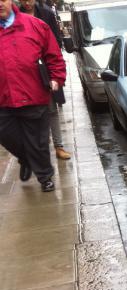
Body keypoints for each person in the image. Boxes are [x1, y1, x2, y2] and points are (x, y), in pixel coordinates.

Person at [0, 0, 66, 191]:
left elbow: (54, 56)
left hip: (34, 94)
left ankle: (45, 177)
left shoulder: (35, 25)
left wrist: (56, 79)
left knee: (38, 142)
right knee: (6, 136)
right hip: (3, 99)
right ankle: (26, 158)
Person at [20, 0, 72, 160]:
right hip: (25, 71)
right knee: (27, 113)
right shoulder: (15, 17)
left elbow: (56, 41)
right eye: (24, 0)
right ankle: (34, 149)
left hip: (44, 69)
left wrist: (54, 71)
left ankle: (58, 146)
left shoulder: (47, 13)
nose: (28, 3)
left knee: (51, 109)